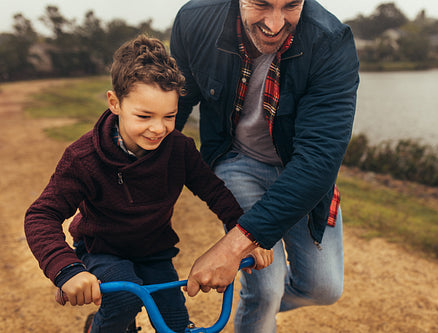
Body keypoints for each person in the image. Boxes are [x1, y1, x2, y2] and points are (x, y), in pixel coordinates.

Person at [24, 34, 272, 333]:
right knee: (124, 299)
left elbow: (215, 192)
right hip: (102, 250)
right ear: (115, 103)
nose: (158, 128)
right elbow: (41, 215)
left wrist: (248, 236)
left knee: (175, 324)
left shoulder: (178, 148)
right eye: (144, 116)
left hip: (154, 251)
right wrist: (66, 269)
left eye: (170, 116)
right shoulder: (83, 157)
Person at [171, 0, 359, 331]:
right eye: (261, 4)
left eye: (290, 5)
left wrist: (230, 250)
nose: (274, 24)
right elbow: (173, 103)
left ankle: (257, 305)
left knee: (324, 288)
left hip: (299, 171)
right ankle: (260, 302)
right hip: (236, 161)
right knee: (267, 288)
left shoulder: (331, 40)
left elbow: (319, 159)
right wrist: (115, 170)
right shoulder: (194, 20)